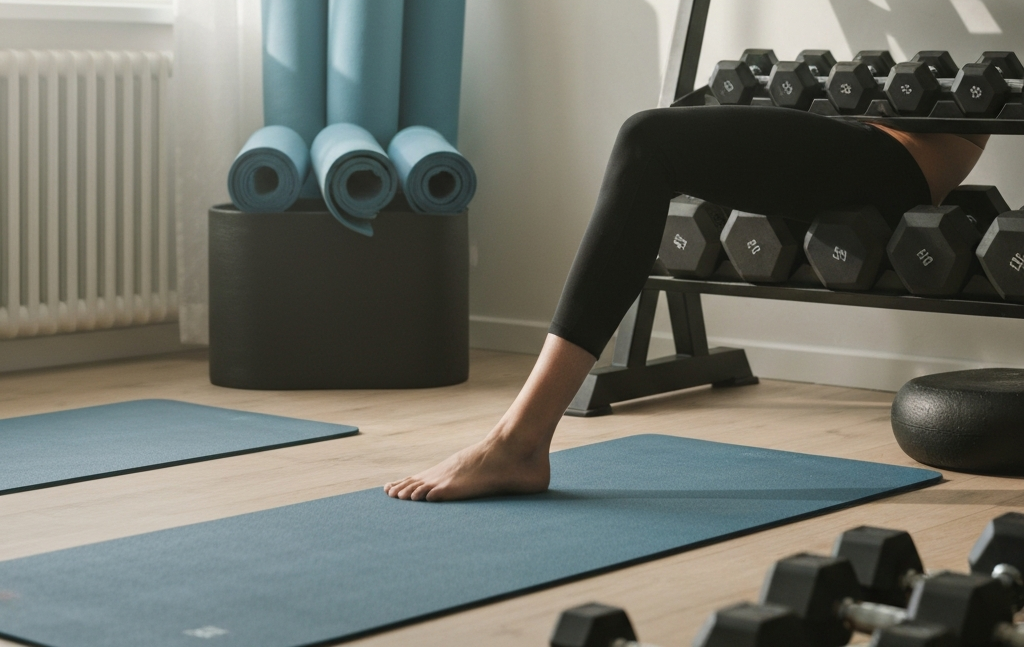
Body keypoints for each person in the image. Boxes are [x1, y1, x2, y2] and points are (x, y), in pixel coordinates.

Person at [384, 106, 988, 502]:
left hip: (900, 158)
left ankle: (518, 440)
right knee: (654, 137)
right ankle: (518, 439)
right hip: (865, 132)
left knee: (647, 138)